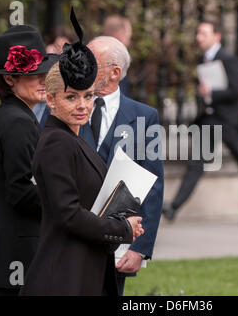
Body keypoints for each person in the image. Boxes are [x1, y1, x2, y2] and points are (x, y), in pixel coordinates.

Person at [20, 10, 144, 296]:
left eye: (88, 96)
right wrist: (122, 229)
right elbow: (69, 214)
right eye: (71, 97)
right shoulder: (56, 142)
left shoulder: (72, 138)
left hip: (83, 269)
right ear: (50, 99)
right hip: (63, 275)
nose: (82, 105)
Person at [0, 25, 58, 296]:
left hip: (3, 251)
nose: (43, 79)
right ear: (9, 78)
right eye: (34, 74)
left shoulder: (4, 116)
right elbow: (20, 191)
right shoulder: (18, 122)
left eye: (45, 71)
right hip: (17, 252)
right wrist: (64, 205)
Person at [162, 20, 238, 225]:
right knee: (196, 165)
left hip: (227, 121)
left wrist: (211, 92)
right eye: (198, 33)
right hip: (209, 120)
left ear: (216, 36)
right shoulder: (203, 60)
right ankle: (174, 207)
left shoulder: (228, 59)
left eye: (203, 33)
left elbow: (237, 91)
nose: (198, 37)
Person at [81, 36, 164, 295]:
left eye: (92, 63)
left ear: (115, 72)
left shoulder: (144, 116)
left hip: (116, 239)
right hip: (72, 232)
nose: (83, 68)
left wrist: (140, 248)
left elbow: (153, 183)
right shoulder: (69, 107)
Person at [103, 14, 133, 97]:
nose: (129, 42)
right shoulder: (116, 59)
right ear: (120, 34)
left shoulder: (98, 54)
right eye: (128, 36)